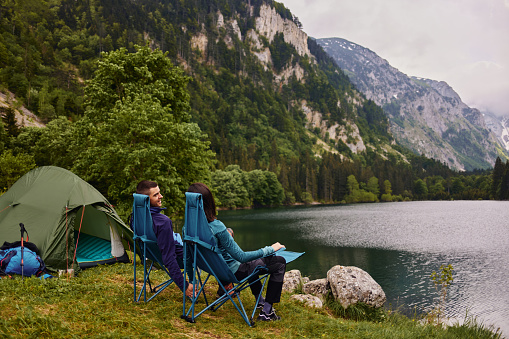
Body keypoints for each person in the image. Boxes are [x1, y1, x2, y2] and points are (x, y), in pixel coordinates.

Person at [187, 182, 287, 321]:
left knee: (254, 263)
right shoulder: (217, 227)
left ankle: (260, 301)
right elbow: (241, 257)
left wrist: (191, 281)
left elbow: (187, 258)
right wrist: (270, 248)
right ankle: (267, 312)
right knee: (280, 262)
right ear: (210, 203)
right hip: (234, 272)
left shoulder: (188, 229)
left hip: (216, 270)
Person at [136, 180, 195, 298]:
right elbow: (169, 257)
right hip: (183, 258)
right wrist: (184, 285)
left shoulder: (136, 217)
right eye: (156, 195)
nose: (161, 196)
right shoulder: (163, 222)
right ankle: (226, 284)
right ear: (146, 200)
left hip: (152, 254)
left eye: (159, 193)